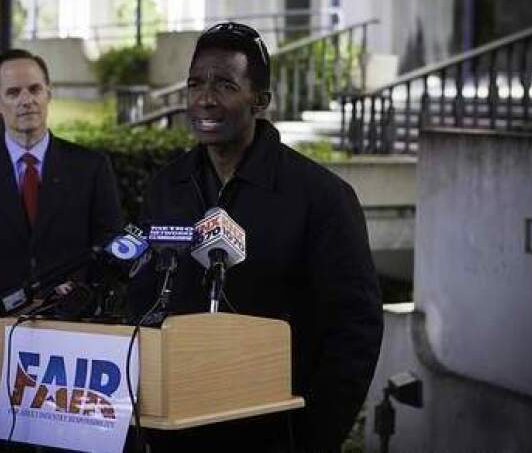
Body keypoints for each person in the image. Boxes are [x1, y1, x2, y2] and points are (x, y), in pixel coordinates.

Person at [129, 22, 383, 452]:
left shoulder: (322, 197)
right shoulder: (165, 188)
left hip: (276, 436)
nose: (205, 98)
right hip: (177, 435)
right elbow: (142, 299)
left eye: (225, 85)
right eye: (195, 84)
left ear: (260, 100)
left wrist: (312, 440)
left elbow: (354, 331)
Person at [0, 48, 123, 451]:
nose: (26, 99)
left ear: (49, 93)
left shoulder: (91, 167)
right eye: (14, 91)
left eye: (35, 88)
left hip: (77, 354)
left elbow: (113, 257)